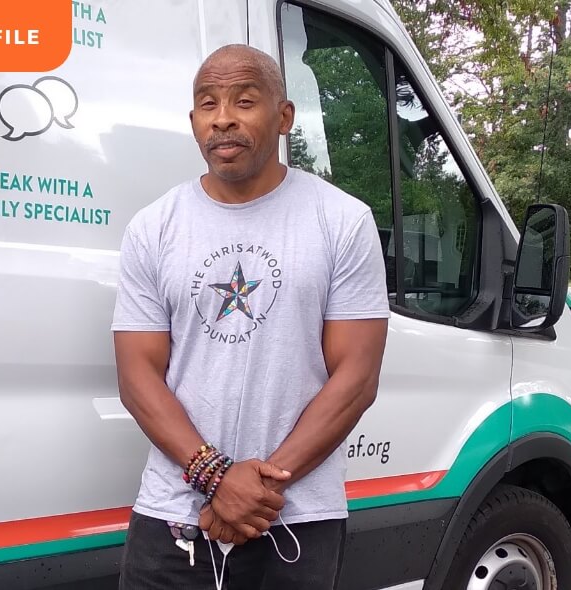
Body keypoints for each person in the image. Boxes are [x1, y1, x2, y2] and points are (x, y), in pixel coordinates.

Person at [112, 44, 389, 590]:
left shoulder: (342, 221)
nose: (223, 119)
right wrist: (217, 478)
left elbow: (356, 379)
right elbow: (137, 376)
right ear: (193, 121)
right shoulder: (153, 228)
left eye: (244, 100)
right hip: (173, 513)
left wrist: (254, 491)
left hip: (297, 517)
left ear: (284, 117)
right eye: (208, 104)